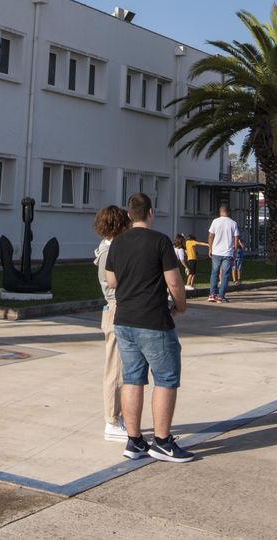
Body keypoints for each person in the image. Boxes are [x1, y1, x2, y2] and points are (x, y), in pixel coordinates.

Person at [105, 192, 195, 463]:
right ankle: (163, 442)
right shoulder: (160, 241)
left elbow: (111, 281)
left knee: (133, 378)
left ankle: (134, 441)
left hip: (124, 321)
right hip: (154, 320)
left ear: (129, 215)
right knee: (166, 379)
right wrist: (181, 306)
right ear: (151, 213)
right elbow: (175, 282)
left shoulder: (117, 243)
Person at [92, 205, 131, 442]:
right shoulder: (108, 252)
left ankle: (119, 416)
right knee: (115, 369)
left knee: (122, 369)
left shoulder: (111, 248)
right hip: (116, 308)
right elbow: (111, 285)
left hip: (118, 308)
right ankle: (111, 420)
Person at [206, 203, 239, 302]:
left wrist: (210, 248)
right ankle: (220, 296)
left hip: (216, 252)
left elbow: (211, 236)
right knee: (225, 274)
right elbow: (236, 239)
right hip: (228, 252)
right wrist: (235, 251)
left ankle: (212, 294)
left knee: (214, 273)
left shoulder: (215, 221)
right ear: (228, 212)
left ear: (220, 212)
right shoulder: (233, 223)